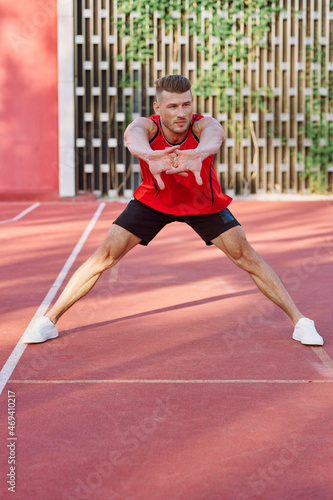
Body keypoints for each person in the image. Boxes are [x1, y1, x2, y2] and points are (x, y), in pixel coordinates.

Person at [24, 75, 323, 346]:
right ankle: (49, 321)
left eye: (186, 104)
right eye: (173, 106)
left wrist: (200, 153)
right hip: (154, 201)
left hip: (202, 203)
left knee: (246, 256)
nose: (181, 113)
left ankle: (300, 321)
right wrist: (149, 155)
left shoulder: (202, 125)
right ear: (158, 107)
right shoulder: (146, 126)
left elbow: (214, 135)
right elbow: (134, 137)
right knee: (104, 255)